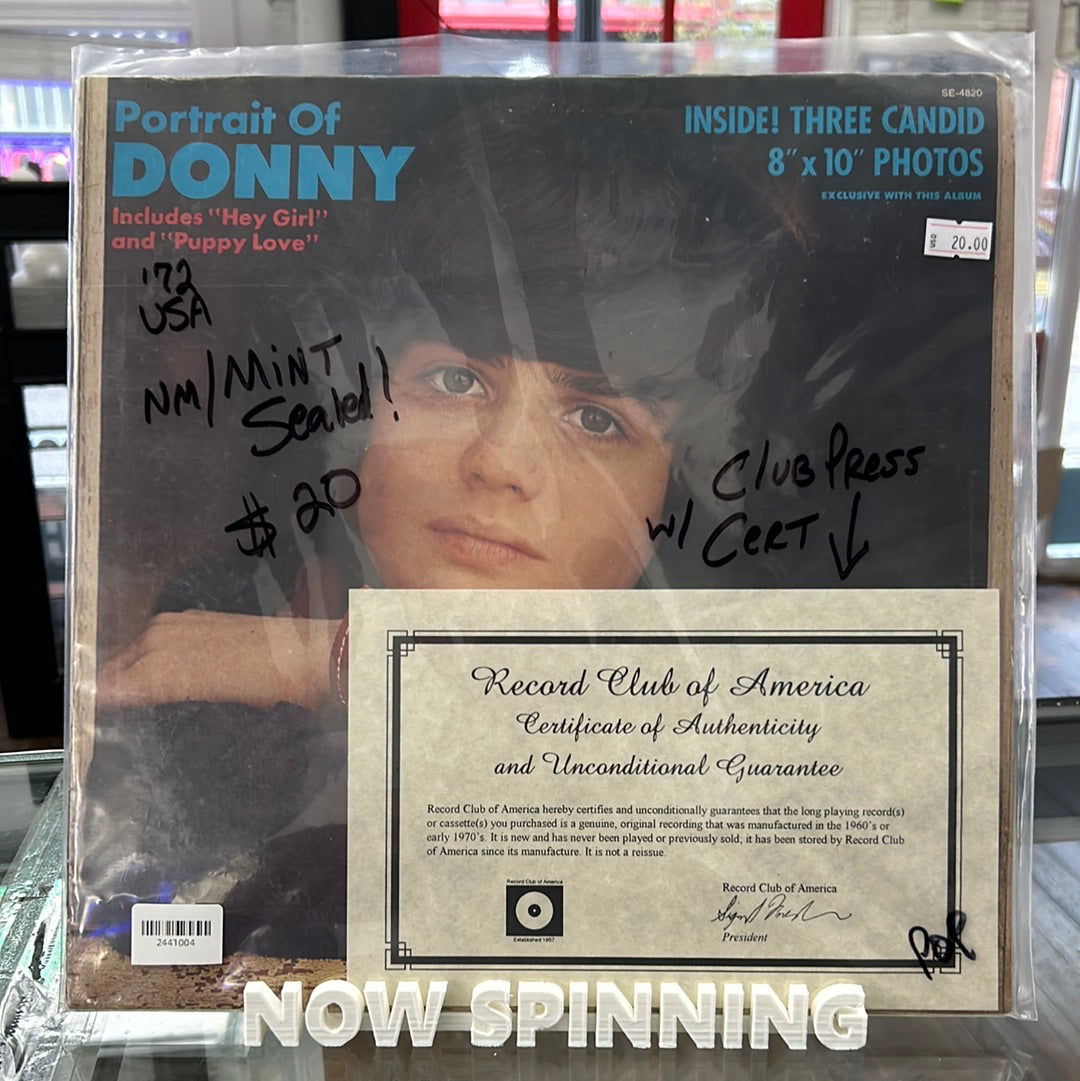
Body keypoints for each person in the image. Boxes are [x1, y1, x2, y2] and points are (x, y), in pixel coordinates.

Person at [77, 88, 783, 965]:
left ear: (675, 492)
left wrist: (331, 661)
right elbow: (155, 940)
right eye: (455, 379)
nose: (502, 462)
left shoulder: (735, 690)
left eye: (597, 419)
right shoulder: (221, 614)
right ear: (355, 404)